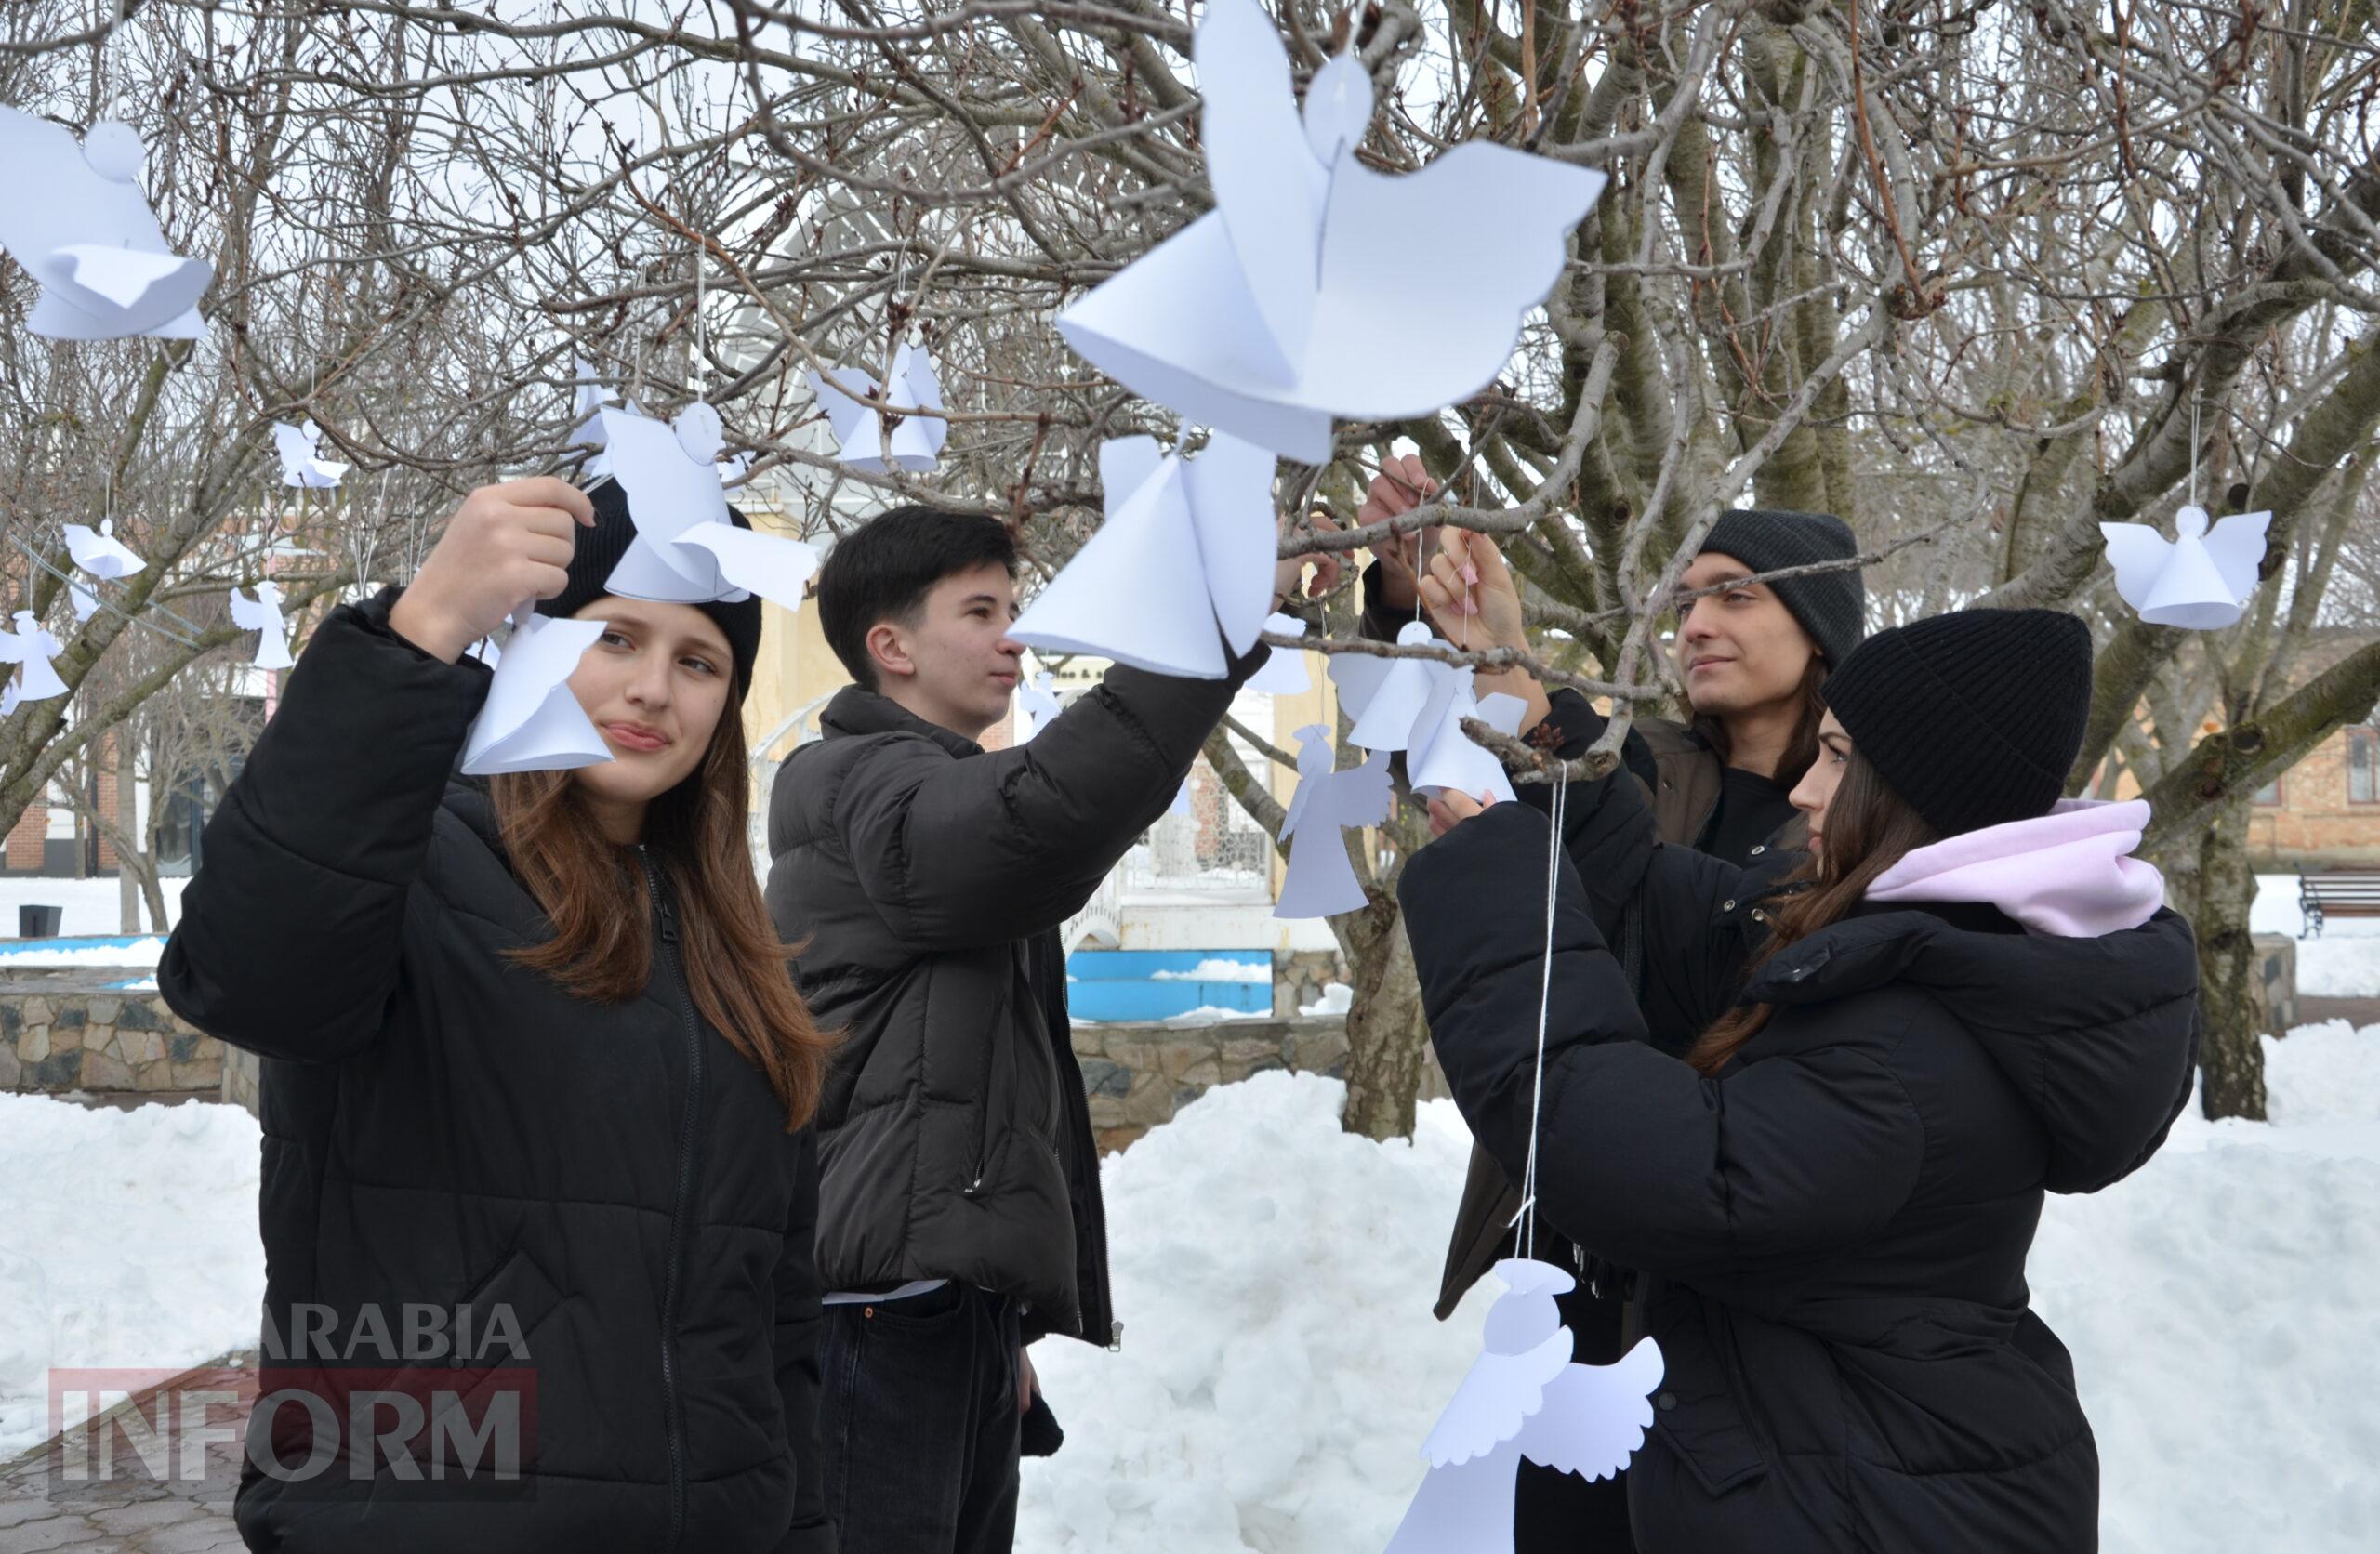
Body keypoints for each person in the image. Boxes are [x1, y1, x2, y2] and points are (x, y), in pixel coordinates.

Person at [1400, 607, 2201, 1551]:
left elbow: (1655, 1171)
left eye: (1836, 757)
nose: (1808, 793)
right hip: (1863, 1474)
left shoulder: (1906, 1047)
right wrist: (1536, 729)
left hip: (1881, 1509)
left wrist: (1497, 885)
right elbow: (1674, 907)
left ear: (1909, 786)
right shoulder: (1953, 950)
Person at [160, 478, 838, 1554]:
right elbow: (247, 974)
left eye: (698, 660)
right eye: (615, 636)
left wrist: (798, 1529)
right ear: (529, 641)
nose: (654, 688)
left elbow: (777, 1315)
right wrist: (420, 629)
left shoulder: (737, 955)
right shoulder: (405, 862)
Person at [766, 504, 1332, 1554]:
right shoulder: (853, 782)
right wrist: (1201, 630)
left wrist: (991, 1310)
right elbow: (1037, 818)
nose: (1013, 638)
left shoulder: (922, 792)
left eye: (1013, 609)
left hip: (940, 1312)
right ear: (888, 646)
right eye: (979, 612)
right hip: (877, 1316)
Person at [1368, 468, 1865, 1549]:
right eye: (1686, 600)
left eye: (1736, 595)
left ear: (1820, 630)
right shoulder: (1641, 766)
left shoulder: (1861, 825)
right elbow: (1489, 772)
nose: (1696, 623)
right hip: (1584, 1254)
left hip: (1741, 1273)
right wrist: (1442, 624)